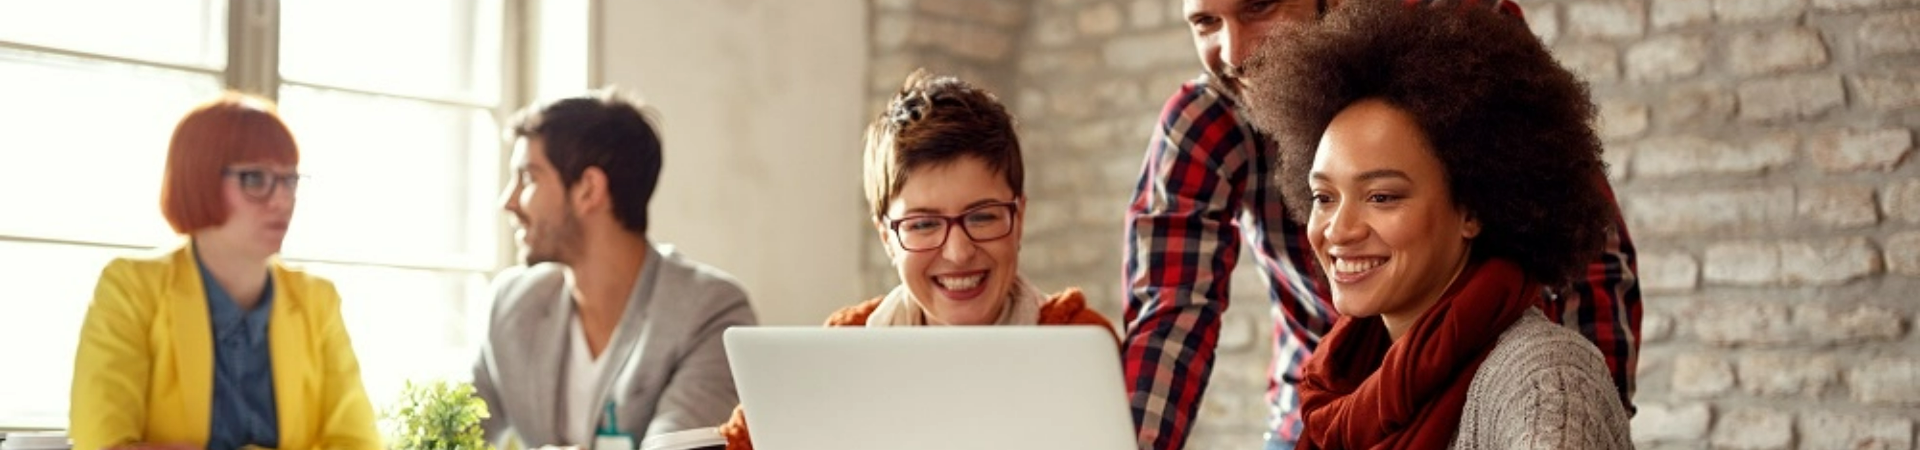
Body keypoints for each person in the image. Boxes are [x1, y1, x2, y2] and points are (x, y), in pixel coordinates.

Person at [1118, 0, 1642, 448]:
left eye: (1260, 6)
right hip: (1324, 410)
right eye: (1205, 21)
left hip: (1479, 386)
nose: (1234, 53)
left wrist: (1581, 411)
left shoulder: (1451, 42)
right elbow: (1170, 313)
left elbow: (1591, 266)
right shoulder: (1209, 115)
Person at [717, 69, 1117, 450]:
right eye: (923, 224)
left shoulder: (1081, 346)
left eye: (982, 217)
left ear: (1020, 218)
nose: (958, 252)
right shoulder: (842, 348)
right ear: (887, 238)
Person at [71, 94, 381, 450]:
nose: (282, 199)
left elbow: (359, 444)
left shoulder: (317, 299)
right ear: (198, 178)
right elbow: (103, 444)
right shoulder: (131, 287)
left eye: (289, 180)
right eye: (255, 178)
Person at [473, 91, 759, 448]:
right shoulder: (512, 303)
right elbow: (453, 437)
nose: (508, 202)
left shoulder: (710, 312)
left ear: (589, 190)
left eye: (528, 178)